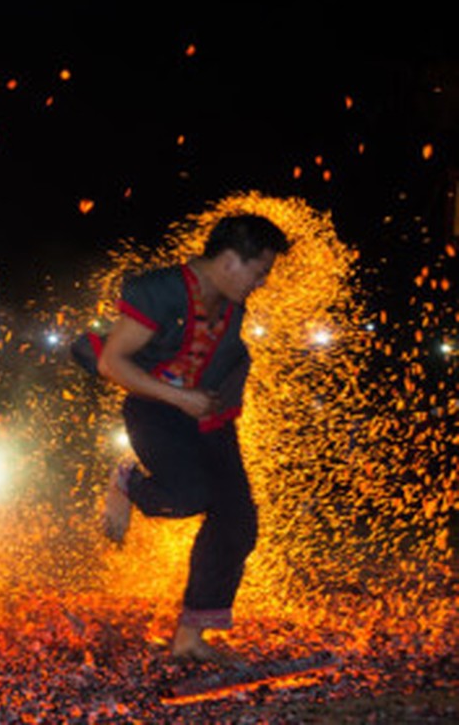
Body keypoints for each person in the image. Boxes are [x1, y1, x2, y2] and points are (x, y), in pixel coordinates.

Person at [73, 213, 290, 663]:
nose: (263, 282)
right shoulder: (161, 291)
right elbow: (114, 363)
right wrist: (178, 397)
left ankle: (190, 640)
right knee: (190, 495)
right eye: (260, 270)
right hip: (156, 411)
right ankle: (127, 482)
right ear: (231, 261)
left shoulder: (231, 299)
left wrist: (208, 399)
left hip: (211, 419)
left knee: (237, 523)